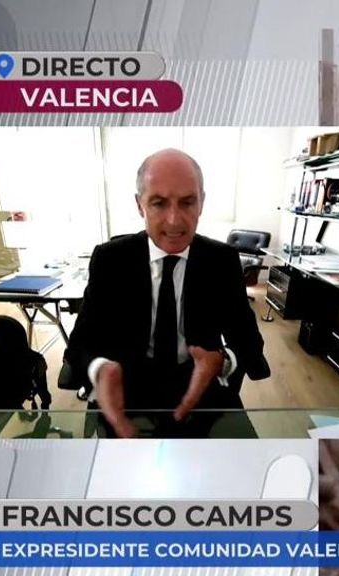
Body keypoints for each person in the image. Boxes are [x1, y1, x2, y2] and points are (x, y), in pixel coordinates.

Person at [65, 149, 271, 438]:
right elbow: (81, 343)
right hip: (125, 389)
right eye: (159, 203)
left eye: (187, 202)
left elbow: (249, 342)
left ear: (202, 202)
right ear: (140, 205)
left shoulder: (221, 260)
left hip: (201, 391)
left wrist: (221, 361)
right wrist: (100, 369)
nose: (174, 221)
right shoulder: (110, 259)